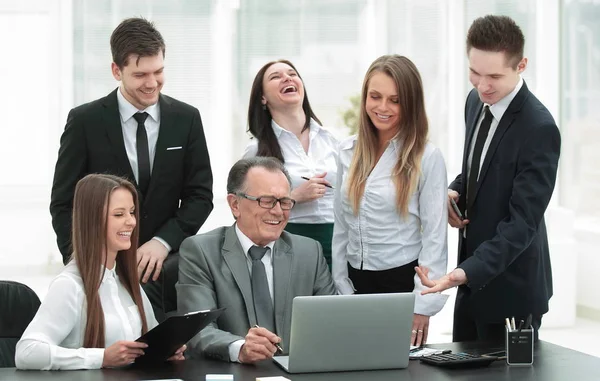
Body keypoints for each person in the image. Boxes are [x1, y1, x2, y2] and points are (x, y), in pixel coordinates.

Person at [49, 17, 214, 321]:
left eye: (159, 72)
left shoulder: (187, 118)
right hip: (102, 272)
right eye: (140, 74)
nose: (152, 83)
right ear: (116, 71)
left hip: (165, 272)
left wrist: (163, 243)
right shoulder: (85, 121)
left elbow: (200, 196)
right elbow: (64, 202)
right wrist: (83, 263)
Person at [416, 15, 561, 342]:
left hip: (512, 292)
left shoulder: (539, 129)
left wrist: (462, 274)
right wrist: (456, 192)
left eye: (494, 76)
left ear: (521, 65)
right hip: (472, 284)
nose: (482, 86)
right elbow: (478, 171)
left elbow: (523, 222)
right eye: (474, 73)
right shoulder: (475, 102)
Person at [332, 55, 448, 347]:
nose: (382, 108)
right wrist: (340, 282)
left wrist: (422, 305)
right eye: (375, 96)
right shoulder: (347, 151)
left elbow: (435, 237)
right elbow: (341, 226)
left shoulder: (427, 157)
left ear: (410, 103)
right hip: (353, 284)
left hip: (401, 285)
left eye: (395, 100)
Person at [16, 174, 186, 370]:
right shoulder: (69, 285)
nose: (131, 222)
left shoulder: (126, 281)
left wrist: (165, 350)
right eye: (119, 214)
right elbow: (27, 352)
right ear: (93, 220)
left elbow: (151, 339)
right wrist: (102, 358)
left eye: (132, 212)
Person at [177, 157, 336, 363]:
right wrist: (240, 348)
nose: (278, 211)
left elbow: (331, 323)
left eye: (285, 202)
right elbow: (197, 330)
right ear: (235, 204)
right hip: (234, 373)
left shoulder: (309, 252)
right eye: (267, 201)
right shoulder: (200, 251)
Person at [243, 60, 338, 269]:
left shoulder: (334, 140)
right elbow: (245, 210)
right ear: (263, 98)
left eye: (292, 74)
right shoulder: (256, 150)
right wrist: (293, 197)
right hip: (288, 244)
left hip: (339, 243)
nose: (287, 78)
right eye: (275, 76)